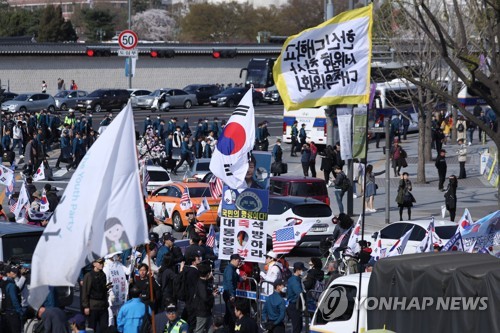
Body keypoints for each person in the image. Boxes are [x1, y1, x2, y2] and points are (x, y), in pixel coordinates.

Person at [81, 258, 109, 333]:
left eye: (102, 263)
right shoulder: (89, 275)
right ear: (94, 264)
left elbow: (103, 290)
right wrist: (86, 306)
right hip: (93, 306)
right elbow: (85, 291)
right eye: (99, 263)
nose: (101, 264)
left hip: (103, 306)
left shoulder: (103, 274)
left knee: (104, 328)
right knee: (92, 328)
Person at [222, 254, 246, 332]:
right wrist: (232, 295)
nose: (239, 262)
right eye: (238, 260)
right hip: (229, 294)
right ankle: (229, 329)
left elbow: (236, 278)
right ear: (234, 260)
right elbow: (229, 282)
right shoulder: (229, 269)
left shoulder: (233, 269)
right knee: (232, 313)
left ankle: (226, 328)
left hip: (230, 293)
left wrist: (242, 279)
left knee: (229, 312)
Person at [193, 263, 216, 333]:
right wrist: (213, 295)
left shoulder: (204, 281)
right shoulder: (201, 284)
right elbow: (205, 298)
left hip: (207, 310)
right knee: (199, 330)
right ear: (207, 274)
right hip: (202, 311)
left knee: (210, 329)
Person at [1, 266, 23, 333]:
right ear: (7, 274)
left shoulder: (3, 283)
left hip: (5, 312)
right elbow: (14, 300)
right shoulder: (11, 285)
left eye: (15, 271)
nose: (15, 273)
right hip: (13, 313)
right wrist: (20, 311)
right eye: (13, 272)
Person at [287, 262, 306, 333]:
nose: (303, 271)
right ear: (297, 270)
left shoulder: (295, 279)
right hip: (295, 306)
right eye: (302, 270)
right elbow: (299, 293)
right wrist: (304, 305)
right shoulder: (295, 281)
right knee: (297, 328)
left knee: (298, 326)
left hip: (295, 305)